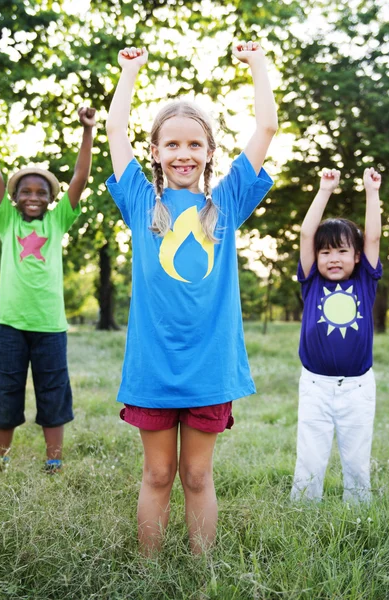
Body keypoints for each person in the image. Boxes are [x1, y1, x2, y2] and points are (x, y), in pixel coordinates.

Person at [105, 41, 277, 554]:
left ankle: (202, 573)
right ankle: (148, 571)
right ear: (155, 152)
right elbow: (116, 130)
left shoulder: (225, 202)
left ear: (209, 153)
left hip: (209, 366)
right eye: (172, 145)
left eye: (195, 145)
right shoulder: (139, 201)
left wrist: (258, 66)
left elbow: (266, 128)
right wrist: (130, 73)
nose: (184, 154)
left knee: (198, 477)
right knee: (157, 474)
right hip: (153, 367)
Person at [0, 95, 96, 473]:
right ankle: (1, 462)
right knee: (6, 395)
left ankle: (54, 462)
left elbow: (80, 178)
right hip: (10, 324)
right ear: (13, 198)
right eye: (25, 191)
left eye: (41, 192)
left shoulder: (56, 223)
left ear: (51, 200)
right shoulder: (6, 222)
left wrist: (88, 131)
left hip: (50, 326)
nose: (33, 196)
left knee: (53, 394)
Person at [291, 167, 382, 503]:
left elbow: (372, 237)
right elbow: (305, 235)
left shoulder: (364, 281)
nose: (333, 258)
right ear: (316, 258)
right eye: (325, 252)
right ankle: (301, 517)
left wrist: (371, 193)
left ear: (357, 257)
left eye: (342, 251)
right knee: (310, 458)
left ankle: (358, 517)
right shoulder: (311, 280)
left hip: (358, 387)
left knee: (357, 460)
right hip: (315, 385)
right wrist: (324, 190)